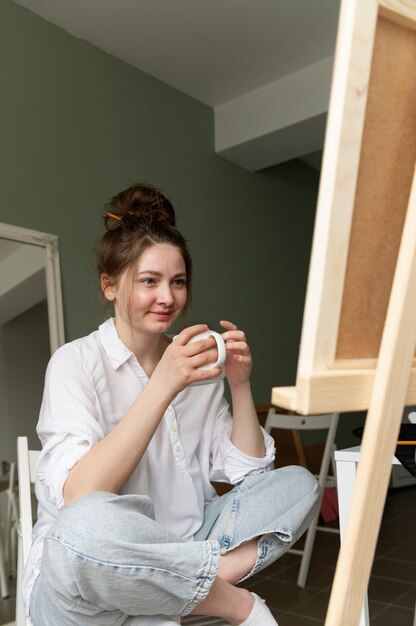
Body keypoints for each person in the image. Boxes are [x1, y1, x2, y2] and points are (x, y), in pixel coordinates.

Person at [23, 183, 320, 625]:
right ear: (109, 285)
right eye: (149, 281)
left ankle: (173, 586)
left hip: (186, 543)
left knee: (300, 485)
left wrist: (240, 384)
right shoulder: (75, 363)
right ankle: (232, 603)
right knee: (82, 527)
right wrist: (162, 384)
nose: (168, 297)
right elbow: (82, 496)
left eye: (177, 282)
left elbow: (251, 476)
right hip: (83, 591)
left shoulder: (198, 369)